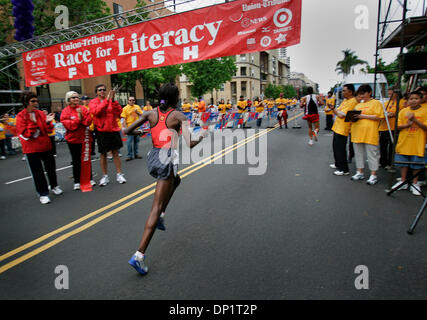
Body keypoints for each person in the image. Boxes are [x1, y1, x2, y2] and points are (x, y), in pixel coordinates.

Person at [125, 83, 209, 275]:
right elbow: (191, 143)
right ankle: (139, 255)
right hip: (166, 159)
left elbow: (127, 131)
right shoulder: (179, 116)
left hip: (153, 158)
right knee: (155, 206)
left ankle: (161, 215)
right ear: (175, 98)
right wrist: (203, 134)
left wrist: (141, 132)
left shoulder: (149, 113)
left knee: (176, 180)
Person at [16, 91, 63, 204]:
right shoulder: (20, 116)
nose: (36, 103)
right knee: (38, 172)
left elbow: (48, 131)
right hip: (31, 149)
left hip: (45, 146)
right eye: (33, 101)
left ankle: (54, 186)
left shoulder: (40, 114)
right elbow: (26, 135)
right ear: (26, 102)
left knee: (51, 168)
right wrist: (33, 123)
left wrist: (47, 123)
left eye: (36, 101)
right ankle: (43, 193)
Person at [89, 84, 126, 186]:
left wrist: (113, 100)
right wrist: (106, 101)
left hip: (113, 129)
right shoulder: (93, 102)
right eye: (100, 90)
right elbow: (96, 112)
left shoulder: (111, 100)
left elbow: (119, 111)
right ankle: (105, 176)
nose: (102, 91)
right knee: (103, 154)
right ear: (96, 92)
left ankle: (119, 174)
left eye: (104, 90)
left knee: (115, 153)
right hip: (102, 131)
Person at [392, 91, 427, 196]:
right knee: (403, 163)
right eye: (411, 99)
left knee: (416, 164)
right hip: (404, 141)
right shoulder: (403, 111)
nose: (413, 101)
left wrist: (415, 120)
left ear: (421, 99)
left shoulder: (425, 110)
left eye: (416, 98)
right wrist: (407, 125)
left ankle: (415, 183)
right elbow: (397, 126)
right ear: (407, 100)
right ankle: (403, 181)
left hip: (417, 142)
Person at [60, 91, 96, 190]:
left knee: (86, 159)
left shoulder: (83, 109)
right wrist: (78, 120)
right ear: (68, 99)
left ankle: (89, 178)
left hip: (85, 139)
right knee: (76, 161)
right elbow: (68, 125)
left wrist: (82, 118)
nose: (76, 99)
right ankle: (77, 181)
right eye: (73, 98)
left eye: (77, 97)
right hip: (73, 140)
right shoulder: (65, 111)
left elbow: (88, 121)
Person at [350, 84, 384, 185]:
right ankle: (359, 172)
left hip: (370, 133)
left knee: (372, 154)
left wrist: (363, 116)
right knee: (358, 153)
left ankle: (373, 174)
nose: (362, 96)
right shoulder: (357, 105)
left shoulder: (376, 103)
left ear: (369, 92)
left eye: (364, 93)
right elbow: (354, 117)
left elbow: (379, 117)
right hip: (357, 132)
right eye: (360, 94)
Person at [330, 84, 358, 175]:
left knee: (340, 149)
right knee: (335, 147)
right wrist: (335, 110)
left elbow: (342, 115)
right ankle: (338, 164)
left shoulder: (353, 101)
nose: (342, 92)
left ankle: (344, 169)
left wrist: (335, 110)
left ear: (350, 92)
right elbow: (338, 111)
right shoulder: (345, 100)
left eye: (344, 91)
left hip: (343, 128)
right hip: (337, 127)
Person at [379, 88, 404, 169]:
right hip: (384, 127)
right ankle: (383, 162)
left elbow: (401, 113)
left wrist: (393, 114)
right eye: (389, 94)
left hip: (393, 127)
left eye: (391, 94)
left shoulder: (401, 103)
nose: (390, 96)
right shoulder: (386, 103)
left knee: (392, 146)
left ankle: (390, 162)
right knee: (383, 146)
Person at [121, 96, 143, 161]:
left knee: (136, 142)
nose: (131, 101)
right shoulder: (125, 108)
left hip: (137, 127)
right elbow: (123, 119)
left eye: (133, 100)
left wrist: (137, 112)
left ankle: (136, 154)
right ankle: (129, 155)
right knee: (129, 142)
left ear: (134, 101)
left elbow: (142, 116)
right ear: (128, 101)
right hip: (129, 127)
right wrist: (125, 128)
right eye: (130, 100)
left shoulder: (137, 107)